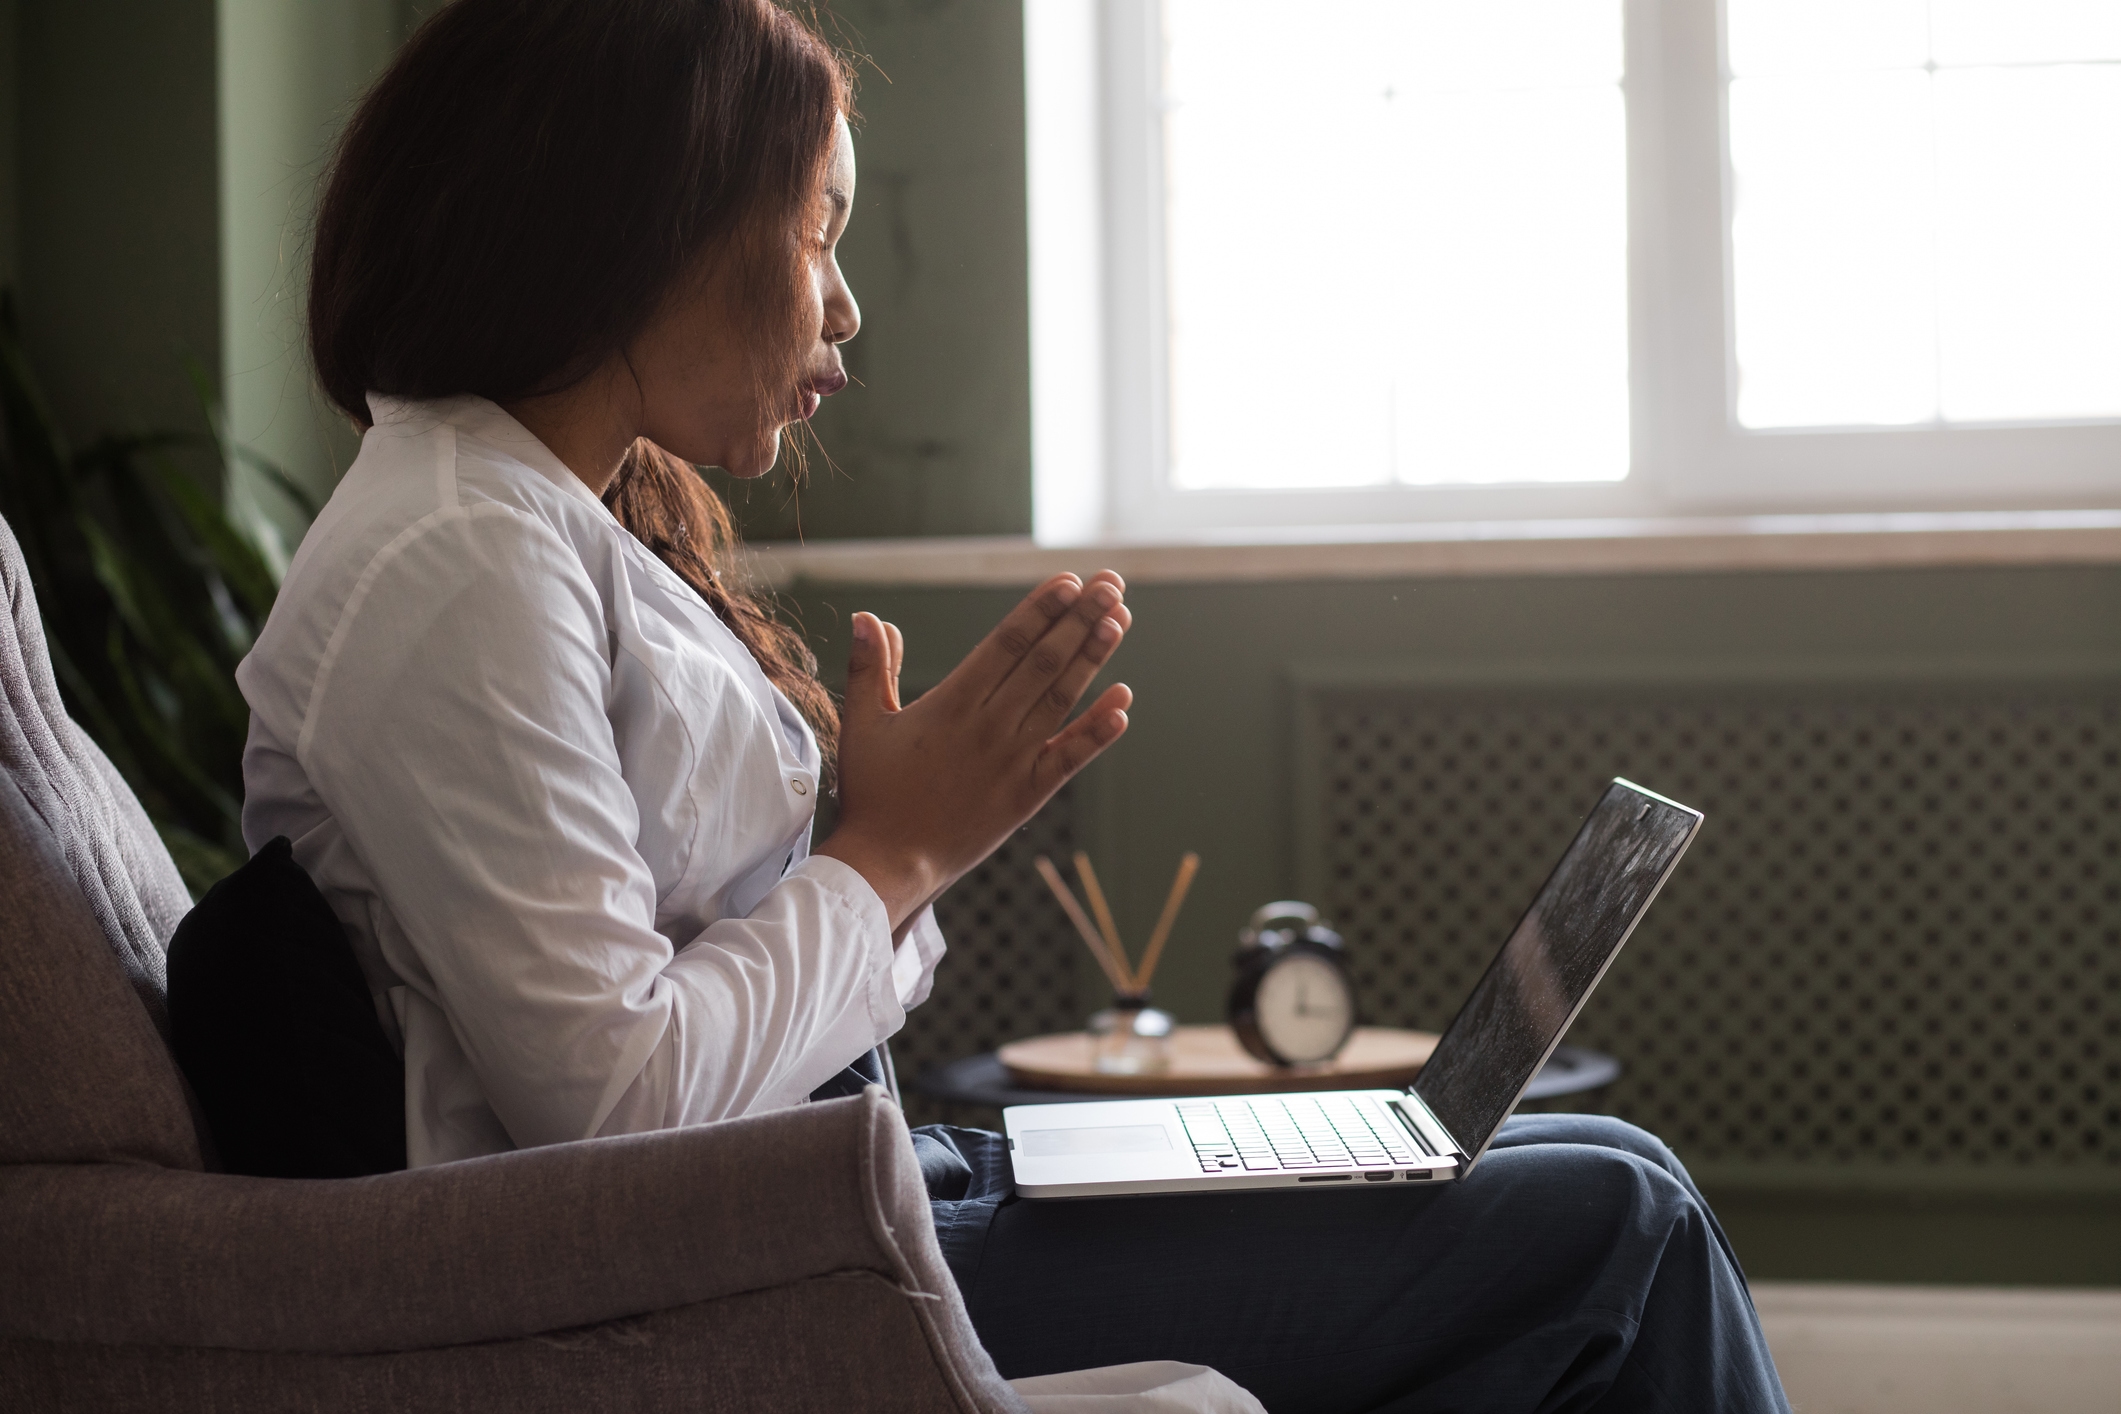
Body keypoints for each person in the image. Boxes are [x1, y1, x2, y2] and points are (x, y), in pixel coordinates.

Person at [244, 2, 1791, 1409]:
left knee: (1609, 1161)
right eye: (814, 231)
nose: (844, 309)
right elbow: (613, 1109)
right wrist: (890, 853)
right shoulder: (459, 557)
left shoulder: (541, 526)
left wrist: (874, 838)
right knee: (1620, 1229)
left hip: (844, 1194)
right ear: (641, 227)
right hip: (713, 1284)